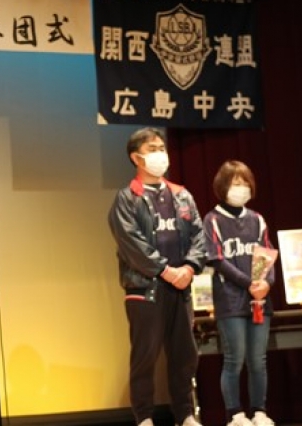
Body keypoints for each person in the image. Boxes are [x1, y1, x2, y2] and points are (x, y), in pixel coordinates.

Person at [108, 127, 207, 426]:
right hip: (145, 288)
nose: (160, 154)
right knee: (145, 357)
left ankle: (185, 414)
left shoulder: (182, 195)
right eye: (152, 149)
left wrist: (188, 268)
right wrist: (165, 270)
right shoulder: (127, 198)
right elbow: (131, 243)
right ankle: (144, 418)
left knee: (184, 355)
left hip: (180, 287)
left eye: (162, 148)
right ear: (136, 157)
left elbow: (199, 236)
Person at [202, 160, 276, 426]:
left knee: (258, 360)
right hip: (230, 300)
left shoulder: (257, 219)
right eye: (235, 183)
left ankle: (259, 411)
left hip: (259, 300)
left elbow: (267, 255)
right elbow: (217, 259)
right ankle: (235, 414)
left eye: (245, 183)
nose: (241, 188)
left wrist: (267, 284)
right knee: (234, 359)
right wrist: (249, 283)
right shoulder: (213, 219)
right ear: (223, 187)